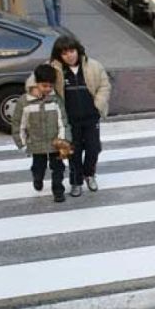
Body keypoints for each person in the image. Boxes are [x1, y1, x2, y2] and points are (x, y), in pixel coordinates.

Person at [49, 36, 111, 197]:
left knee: (93, 149)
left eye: (72, 51)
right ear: (59, 56)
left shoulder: (93, 66)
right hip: (70, 121)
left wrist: (97, 105)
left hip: (91, 117)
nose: (69, 56)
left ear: (78, 50)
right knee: (72, 152)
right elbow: (35, 80)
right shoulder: (55, 69)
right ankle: (76, 182)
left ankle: (89, 175)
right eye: (64, 53)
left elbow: (105, 86)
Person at [12, 64, 71, 203]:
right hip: (36, 145)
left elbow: (63, 122)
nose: (48, 89)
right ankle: (37, 178)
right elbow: (19, 125)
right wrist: (23, 144)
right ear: (36, 83)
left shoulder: (56, 100)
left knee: (58, 168)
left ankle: (58, 191)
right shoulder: (25, 102)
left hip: (55, 143)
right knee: (38, 167)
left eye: (51, 86)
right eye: (44, 86)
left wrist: (63, 141)